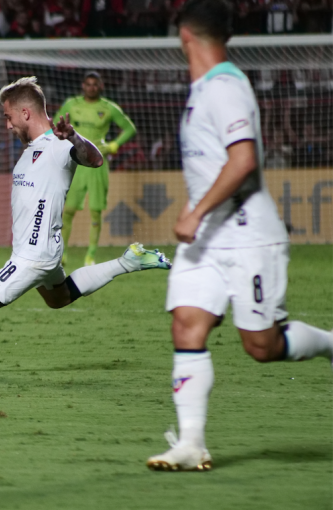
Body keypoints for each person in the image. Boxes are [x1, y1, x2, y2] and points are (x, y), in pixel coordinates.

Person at [146, 0, 333, 472]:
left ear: (185, 37)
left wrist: (196, 211)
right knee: (187, 322)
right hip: (206, 239)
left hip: (248, 234)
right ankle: (191, 443)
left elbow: (243, 159)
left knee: (261, 347)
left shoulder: (225, 86)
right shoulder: (203, 89)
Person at [0, 77, 171, 375]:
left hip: (32, 255)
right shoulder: (33, 147)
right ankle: (127, 262)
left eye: (8, 117)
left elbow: (94, 160)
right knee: (59, 298)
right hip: (44, 248)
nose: (7, 125)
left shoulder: (58, 145)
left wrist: (74, 137)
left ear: (25, 113)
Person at [54, 71, 136, 267]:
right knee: (69, 210)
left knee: (96, 211)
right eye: (88, 84)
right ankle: (62, 255)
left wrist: (114, 145)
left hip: (98, 164)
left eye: (95, 84)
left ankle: (90, 256)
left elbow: (130, 128)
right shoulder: (71, 105)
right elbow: (55, 126)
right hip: (76, 163)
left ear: (101, 86)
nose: (91, 87)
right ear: (83, 86)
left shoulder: (108, 108)